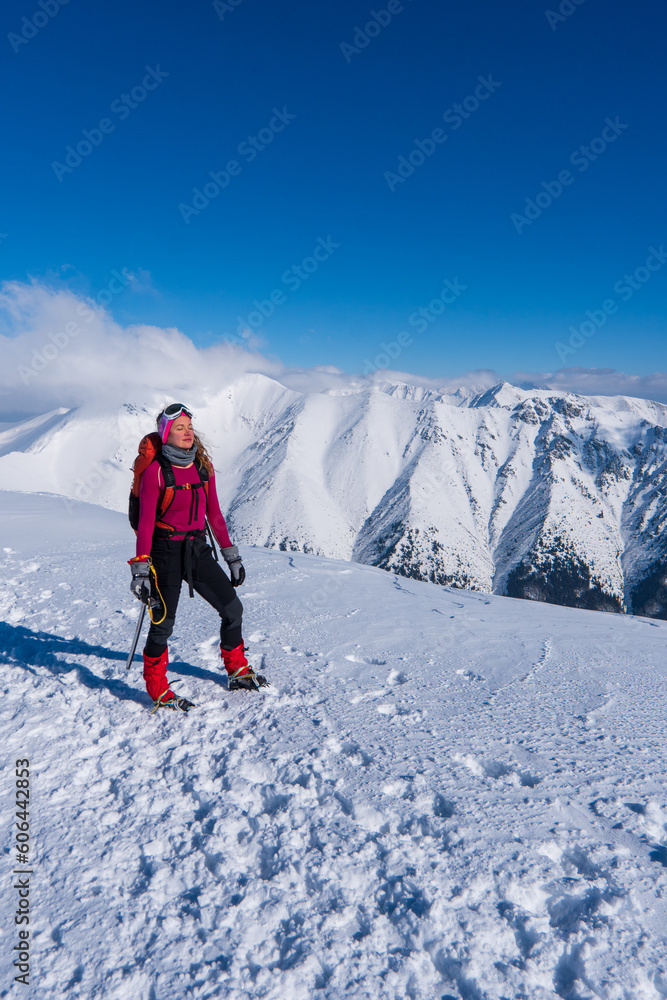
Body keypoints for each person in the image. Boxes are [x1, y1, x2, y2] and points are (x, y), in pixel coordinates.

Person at [128, 402, 266, 710]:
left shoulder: (202, 467)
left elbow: (214, 514)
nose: (188, 433)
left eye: (190, 427)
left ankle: (236, 669)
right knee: (163, 624)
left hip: (197, 549)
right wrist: (140, 570)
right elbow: (146, 525)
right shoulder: (155, 474)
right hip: (164, 552)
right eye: (180, 428)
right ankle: (157, 688)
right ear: (166, 435)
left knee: (233, 608)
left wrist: (232, 556)